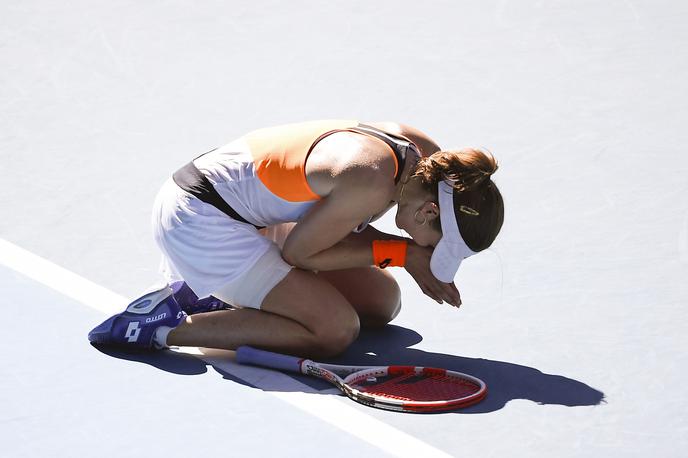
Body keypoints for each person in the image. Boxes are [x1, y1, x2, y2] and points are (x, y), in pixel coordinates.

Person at [88, 120, 504, 359]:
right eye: (436, 243)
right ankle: (163, 326)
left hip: (253, 213)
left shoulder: (422, 156)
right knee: (334, 331)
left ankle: (226, 296)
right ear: (429, 211)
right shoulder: (370, 181)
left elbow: (327, 230)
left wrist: (405, 254)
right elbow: (301, 254)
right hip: (201, 221)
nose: (430, 251)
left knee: (381, 303)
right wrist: (403, 252)